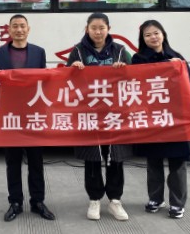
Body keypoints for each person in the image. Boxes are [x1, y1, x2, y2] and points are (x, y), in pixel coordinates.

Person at [132, 20, 190, 219]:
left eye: (156, 33)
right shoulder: (138, 59)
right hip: (152, 119)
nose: (153, 37)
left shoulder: (177, 58)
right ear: (143, 39)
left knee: (177, 162)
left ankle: (177, 203)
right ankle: (155, 198)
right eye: (148, 35)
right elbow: (132, 85)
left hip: (175, 119)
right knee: (153, 162)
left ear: (163, 34)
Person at [66, 12, 132, 221]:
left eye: (101, 28)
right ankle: (94, 199)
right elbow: (66, 81)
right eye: (93, 28)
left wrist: (125, 69)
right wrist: (73, 69)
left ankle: (115, 200)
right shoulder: (77, 51)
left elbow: (136, 77)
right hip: (89, 114)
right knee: (92, 158)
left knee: (115, 158)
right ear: (87, 29)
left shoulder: (120, 51)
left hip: (115, 114)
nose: (97, 32)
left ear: (108, 29)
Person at [0, 14, 55, 222]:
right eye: (15, 26)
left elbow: (43, 82)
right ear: (9, 30)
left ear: (28, 29)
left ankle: (38, 201)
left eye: (22, 26)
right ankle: (15, 202)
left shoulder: (39, 52)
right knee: (13, 162)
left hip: (33, 115)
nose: (19, 30)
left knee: (36, 161)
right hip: (10, 115)